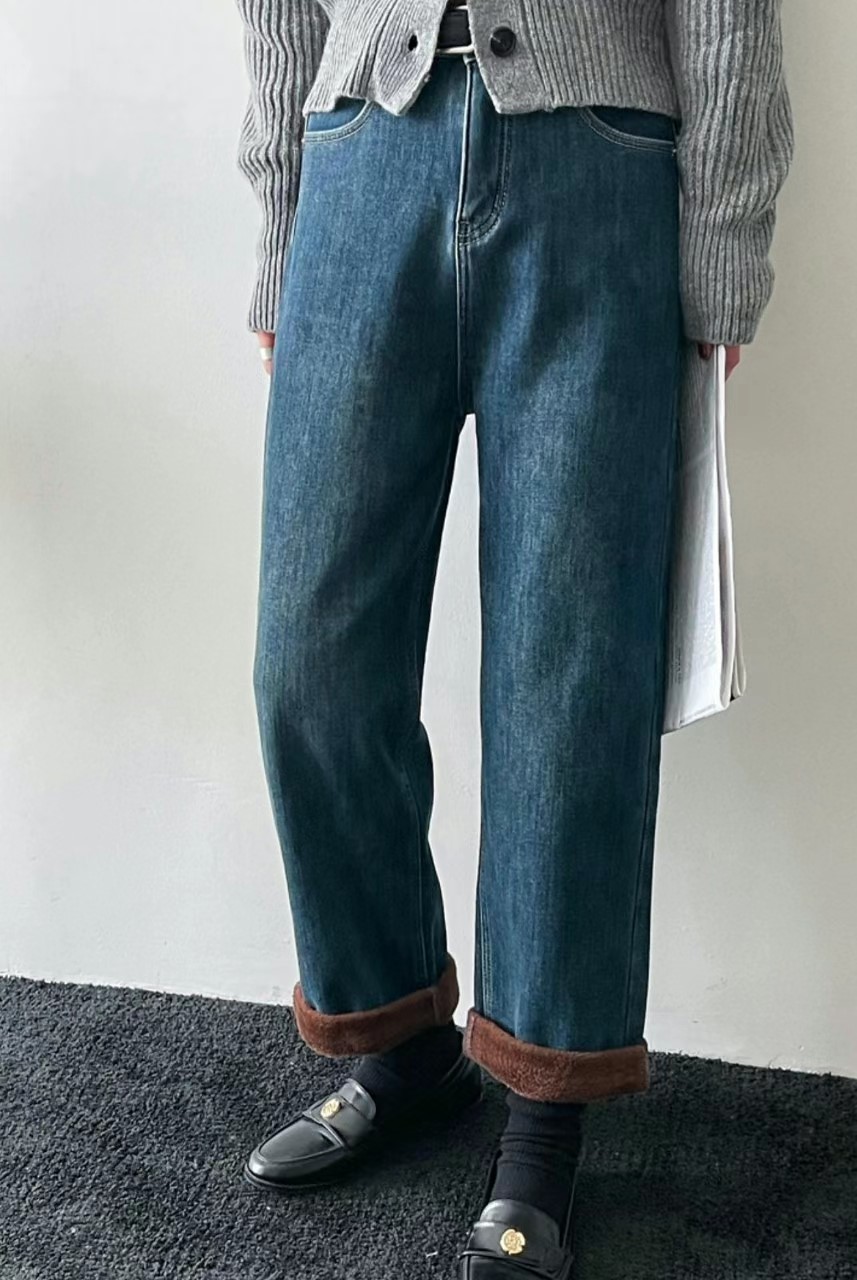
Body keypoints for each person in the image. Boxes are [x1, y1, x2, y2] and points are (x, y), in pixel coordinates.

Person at [234, 2, 793, 1274]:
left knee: (568, 672)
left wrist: (720, 249)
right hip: (358, 157)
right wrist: (278, 229)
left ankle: (544, 1108)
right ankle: (400, 1047)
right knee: (309, 664)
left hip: (596, 170)